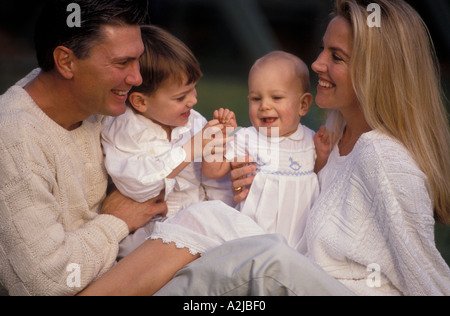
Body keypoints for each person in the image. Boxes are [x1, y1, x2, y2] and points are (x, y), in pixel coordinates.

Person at [81, 0, 450, 296]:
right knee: (213, 222)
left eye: (336, 57)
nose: (317, 63)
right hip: (302, 274)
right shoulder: (334, 136)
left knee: (262, 253)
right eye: (323, 49)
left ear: (376, 72)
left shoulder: (383, 156)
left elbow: (427, 275)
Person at [0, 0, 173, 296]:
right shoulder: (13, 140)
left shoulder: (98, 101)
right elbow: (47, 282)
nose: (137, 78)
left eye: (137, 60)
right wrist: (116, 221)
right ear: (66, 62)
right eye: (122, 63)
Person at [101, 25, 238, 259]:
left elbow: (212, 181)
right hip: (152, 235)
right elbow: (137, 185)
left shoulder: (192, 122)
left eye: (193, 90)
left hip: (200, 223)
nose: (193, 101)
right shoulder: (125, 129)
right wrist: (192, 148)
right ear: (141, 102)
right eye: (180, 97)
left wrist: (219, 144)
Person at [203, 51, 329, 248]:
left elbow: (318, 176)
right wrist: (215, 141)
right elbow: (212, 171)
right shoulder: (247, 137)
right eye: (256, 99)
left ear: (303, 105)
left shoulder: (310, 139)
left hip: (299, 239)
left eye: (276, 97)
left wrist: (321, 155)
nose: (265, 106)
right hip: (252, 235)